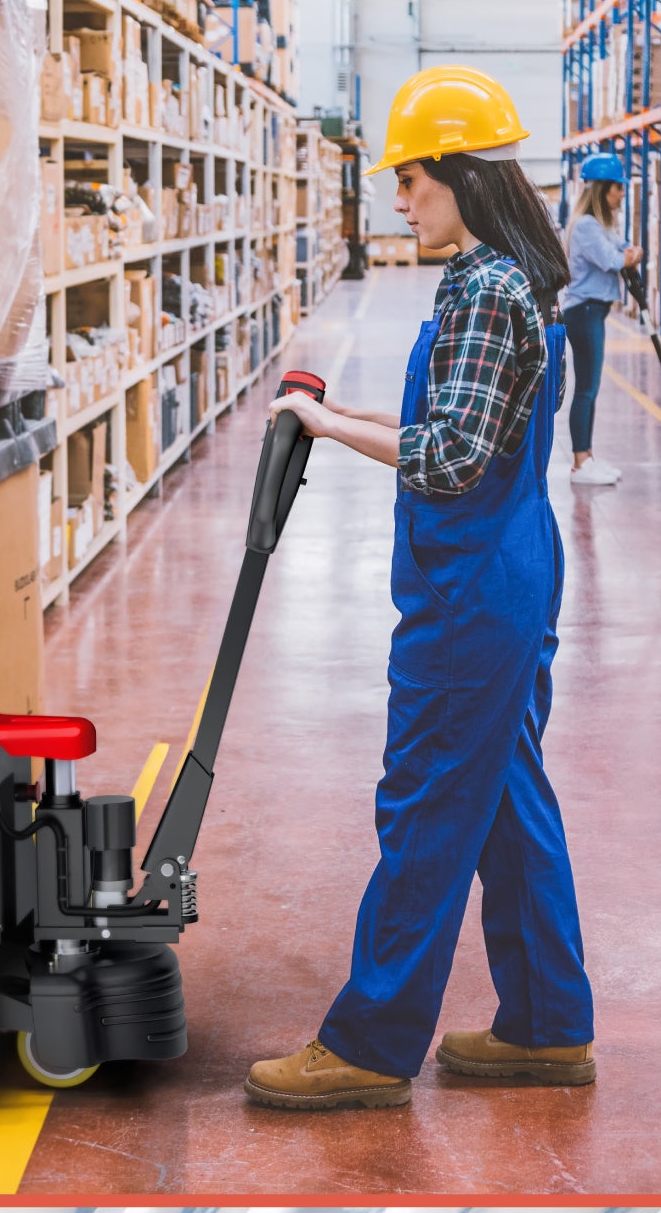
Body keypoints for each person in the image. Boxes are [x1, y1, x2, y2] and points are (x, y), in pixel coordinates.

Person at [245, 64, 596, 1111]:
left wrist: (324, 424)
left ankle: (369, 1043)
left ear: (462, 177)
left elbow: (449, 458)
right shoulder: (502, 278)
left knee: (428, 805)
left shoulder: (488, 289)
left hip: (471, 591)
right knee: (504, 801)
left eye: (412, 182)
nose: (400, 202)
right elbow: (467, 440)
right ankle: (545, 1027)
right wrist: (339, 414)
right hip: (508, 565)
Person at [560, 155, 640, 486]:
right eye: (618, 188)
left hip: (594, 311)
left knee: (590, 388)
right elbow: (614, 259)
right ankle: (580, 463)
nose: (622, 194)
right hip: (586, 311)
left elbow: (627, 250)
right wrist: (626, 256)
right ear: (603, 189)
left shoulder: (602, 224)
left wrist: (627, 255)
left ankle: (587, 456)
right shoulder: (587, 227)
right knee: (587, 389)